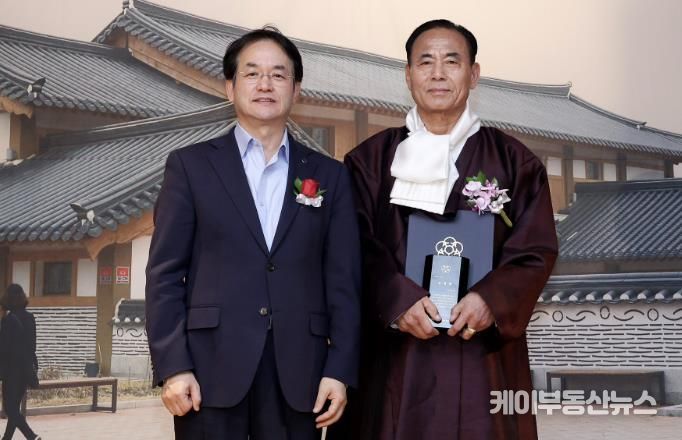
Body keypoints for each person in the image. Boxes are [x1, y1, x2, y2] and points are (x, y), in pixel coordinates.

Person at [341, 19, 558, 440]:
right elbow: (352, 244)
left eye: (451, 61)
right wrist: (396, 299)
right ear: (408, 75)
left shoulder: (514, 161)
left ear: (473, 74)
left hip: (481, 353)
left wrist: (491, 299)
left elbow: (535, 250)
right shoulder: (369, 161)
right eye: (425, 62)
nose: (438, 73)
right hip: (396, 353)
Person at [145, 27, 361, 440]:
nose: (265, 84)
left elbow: (344, 282)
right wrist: (174, 366)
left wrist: (339, 370)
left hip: (301, 374)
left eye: (278, 74)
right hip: (207, 373)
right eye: (252, 73)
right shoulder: (190, 167)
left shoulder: (329, 176)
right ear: (230, 87)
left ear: (296, 90)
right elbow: (165, 275)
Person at [0, 284, 40, 440]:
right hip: (26, 368)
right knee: (14, 407)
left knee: (10, 409)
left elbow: (4, 348)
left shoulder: (8, 320)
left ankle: (32, 436)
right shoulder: (30, 318)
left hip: (11, 370)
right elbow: (32, 345)